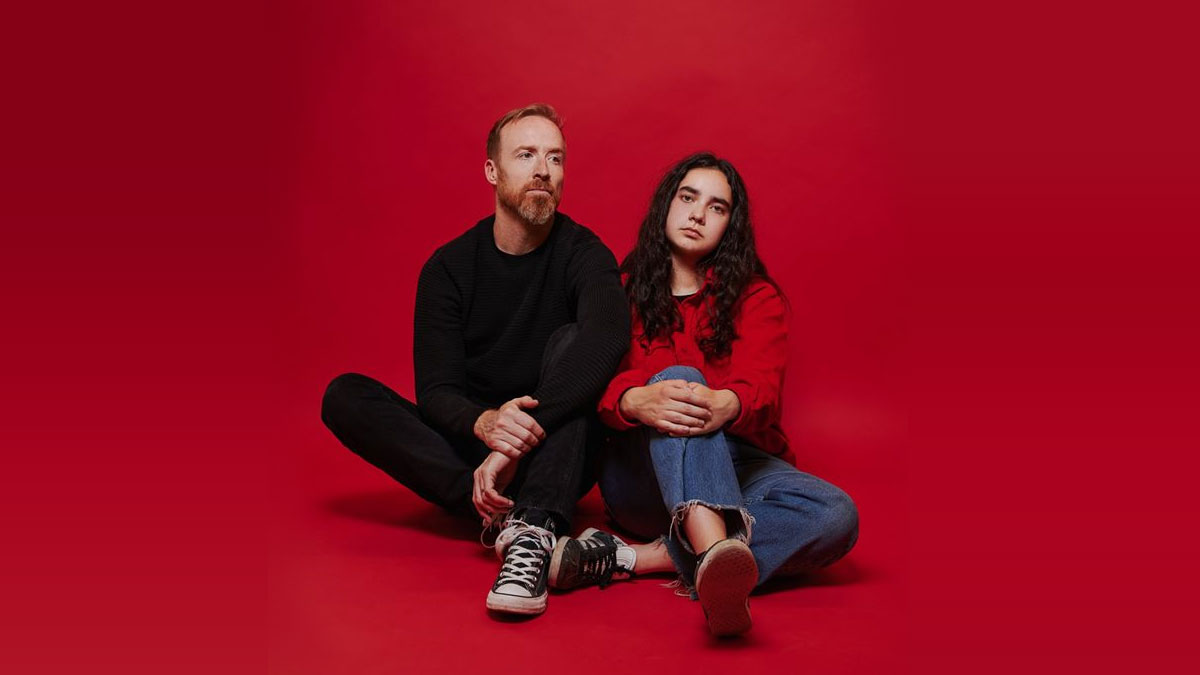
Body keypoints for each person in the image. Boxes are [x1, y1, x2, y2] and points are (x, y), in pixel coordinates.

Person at [320, 103, 629, 616]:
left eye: (555, 158)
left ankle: (533, 525)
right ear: (492, 171)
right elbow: (437, 392)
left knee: (577, 345)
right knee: (345, 395)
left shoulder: (584, 253)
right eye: (526, 155)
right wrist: (488, 426)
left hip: (557, 450)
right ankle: (498, 510)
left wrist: (518, 441)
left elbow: (608, 337)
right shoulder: (448, 268)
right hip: (476, 455)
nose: (543, 171)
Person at [546, 152, 859, 637]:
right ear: (666, 205)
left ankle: (645, 557)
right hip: (643, 477)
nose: (697, 214)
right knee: (680, 379)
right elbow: (582, 375)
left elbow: (763, 388)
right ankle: (712, 550)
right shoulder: (618, 291)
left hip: (738, 466)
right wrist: (630, 400)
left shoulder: (757, 297)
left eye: (717, 207)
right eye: (688, 198)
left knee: (836, 514)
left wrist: (727, 404)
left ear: (731, 225)